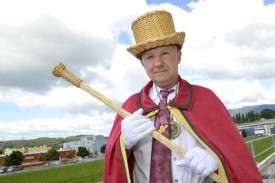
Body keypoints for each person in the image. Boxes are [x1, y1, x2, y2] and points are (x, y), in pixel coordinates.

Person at [104, 10, 262, 183]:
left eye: (165, 53)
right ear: (143, 64)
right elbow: (115, 166)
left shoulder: (206, 99)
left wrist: (216, 159)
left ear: (178, 56)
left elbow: (233, 152)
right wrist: (122, 145)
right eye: (149, 57)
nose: (158, 63)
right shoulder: (130, 106)